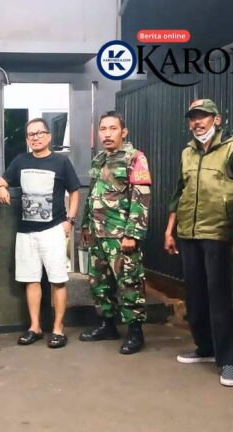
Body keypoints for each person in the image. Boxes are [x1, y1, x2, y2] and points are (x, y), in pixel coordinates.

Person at [163, 98, 233, 387]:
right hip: (189, 232)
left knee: (218, 297)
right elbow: (179, 192)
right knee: (195, 295)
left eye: (203, 117)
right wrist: (170, 229)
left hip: (217, 233)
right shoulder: (187, 152)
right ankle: (205, 347)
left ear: (217, 120)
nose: (197, 122)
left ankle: (229, 360)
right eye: (193, 118)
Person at [0, 118, 80, 348]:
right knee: (31, 280)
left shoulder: (61, 162)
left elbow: (75, 191)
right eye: (31, 134)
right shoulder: (20, 160)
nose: (36, 137)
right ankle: (35, 327)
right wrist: (2, 188)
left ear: (49, 136)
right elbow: (2, 179)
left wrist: (70, 221)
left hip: (53, 229)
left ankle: (58, 329)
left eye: (40, 133)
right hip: (26, 232)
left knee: (58, 281)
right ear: (27, 139)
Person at [80, 111, 151, 355]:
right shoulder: (99, 159)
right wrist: (86, 226)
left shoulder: (135, 158)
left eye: (113, 128)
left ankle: (135, 331)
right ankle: (107, 324)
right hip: (98, 233)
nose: (107, 134)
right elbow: (93, 195)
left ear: (124, 132)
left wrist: (132, 234)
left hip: (121, 235)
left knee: (129, 282)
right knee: (99, 283)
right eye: (103, 129)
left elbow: (141, 198)